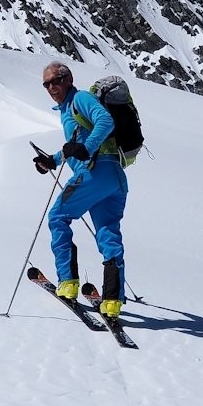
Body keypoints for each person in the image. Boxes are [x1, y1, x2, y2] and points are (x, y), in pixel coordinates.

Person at [32, 61, 128, 318]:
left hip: (93, 173)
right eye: (47, 83)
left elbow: (105, 121)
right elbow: (75, 145)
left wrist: (88, 148)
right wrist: (51, 160)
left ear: (68, 78)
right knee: (108, 234)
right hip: (115, 179)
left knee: (57, 217)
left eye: (56, 80)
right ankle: (112, 301)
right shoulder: (68, 109)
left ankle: (68, 283)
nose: (52, 86)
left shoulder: (80, 99)